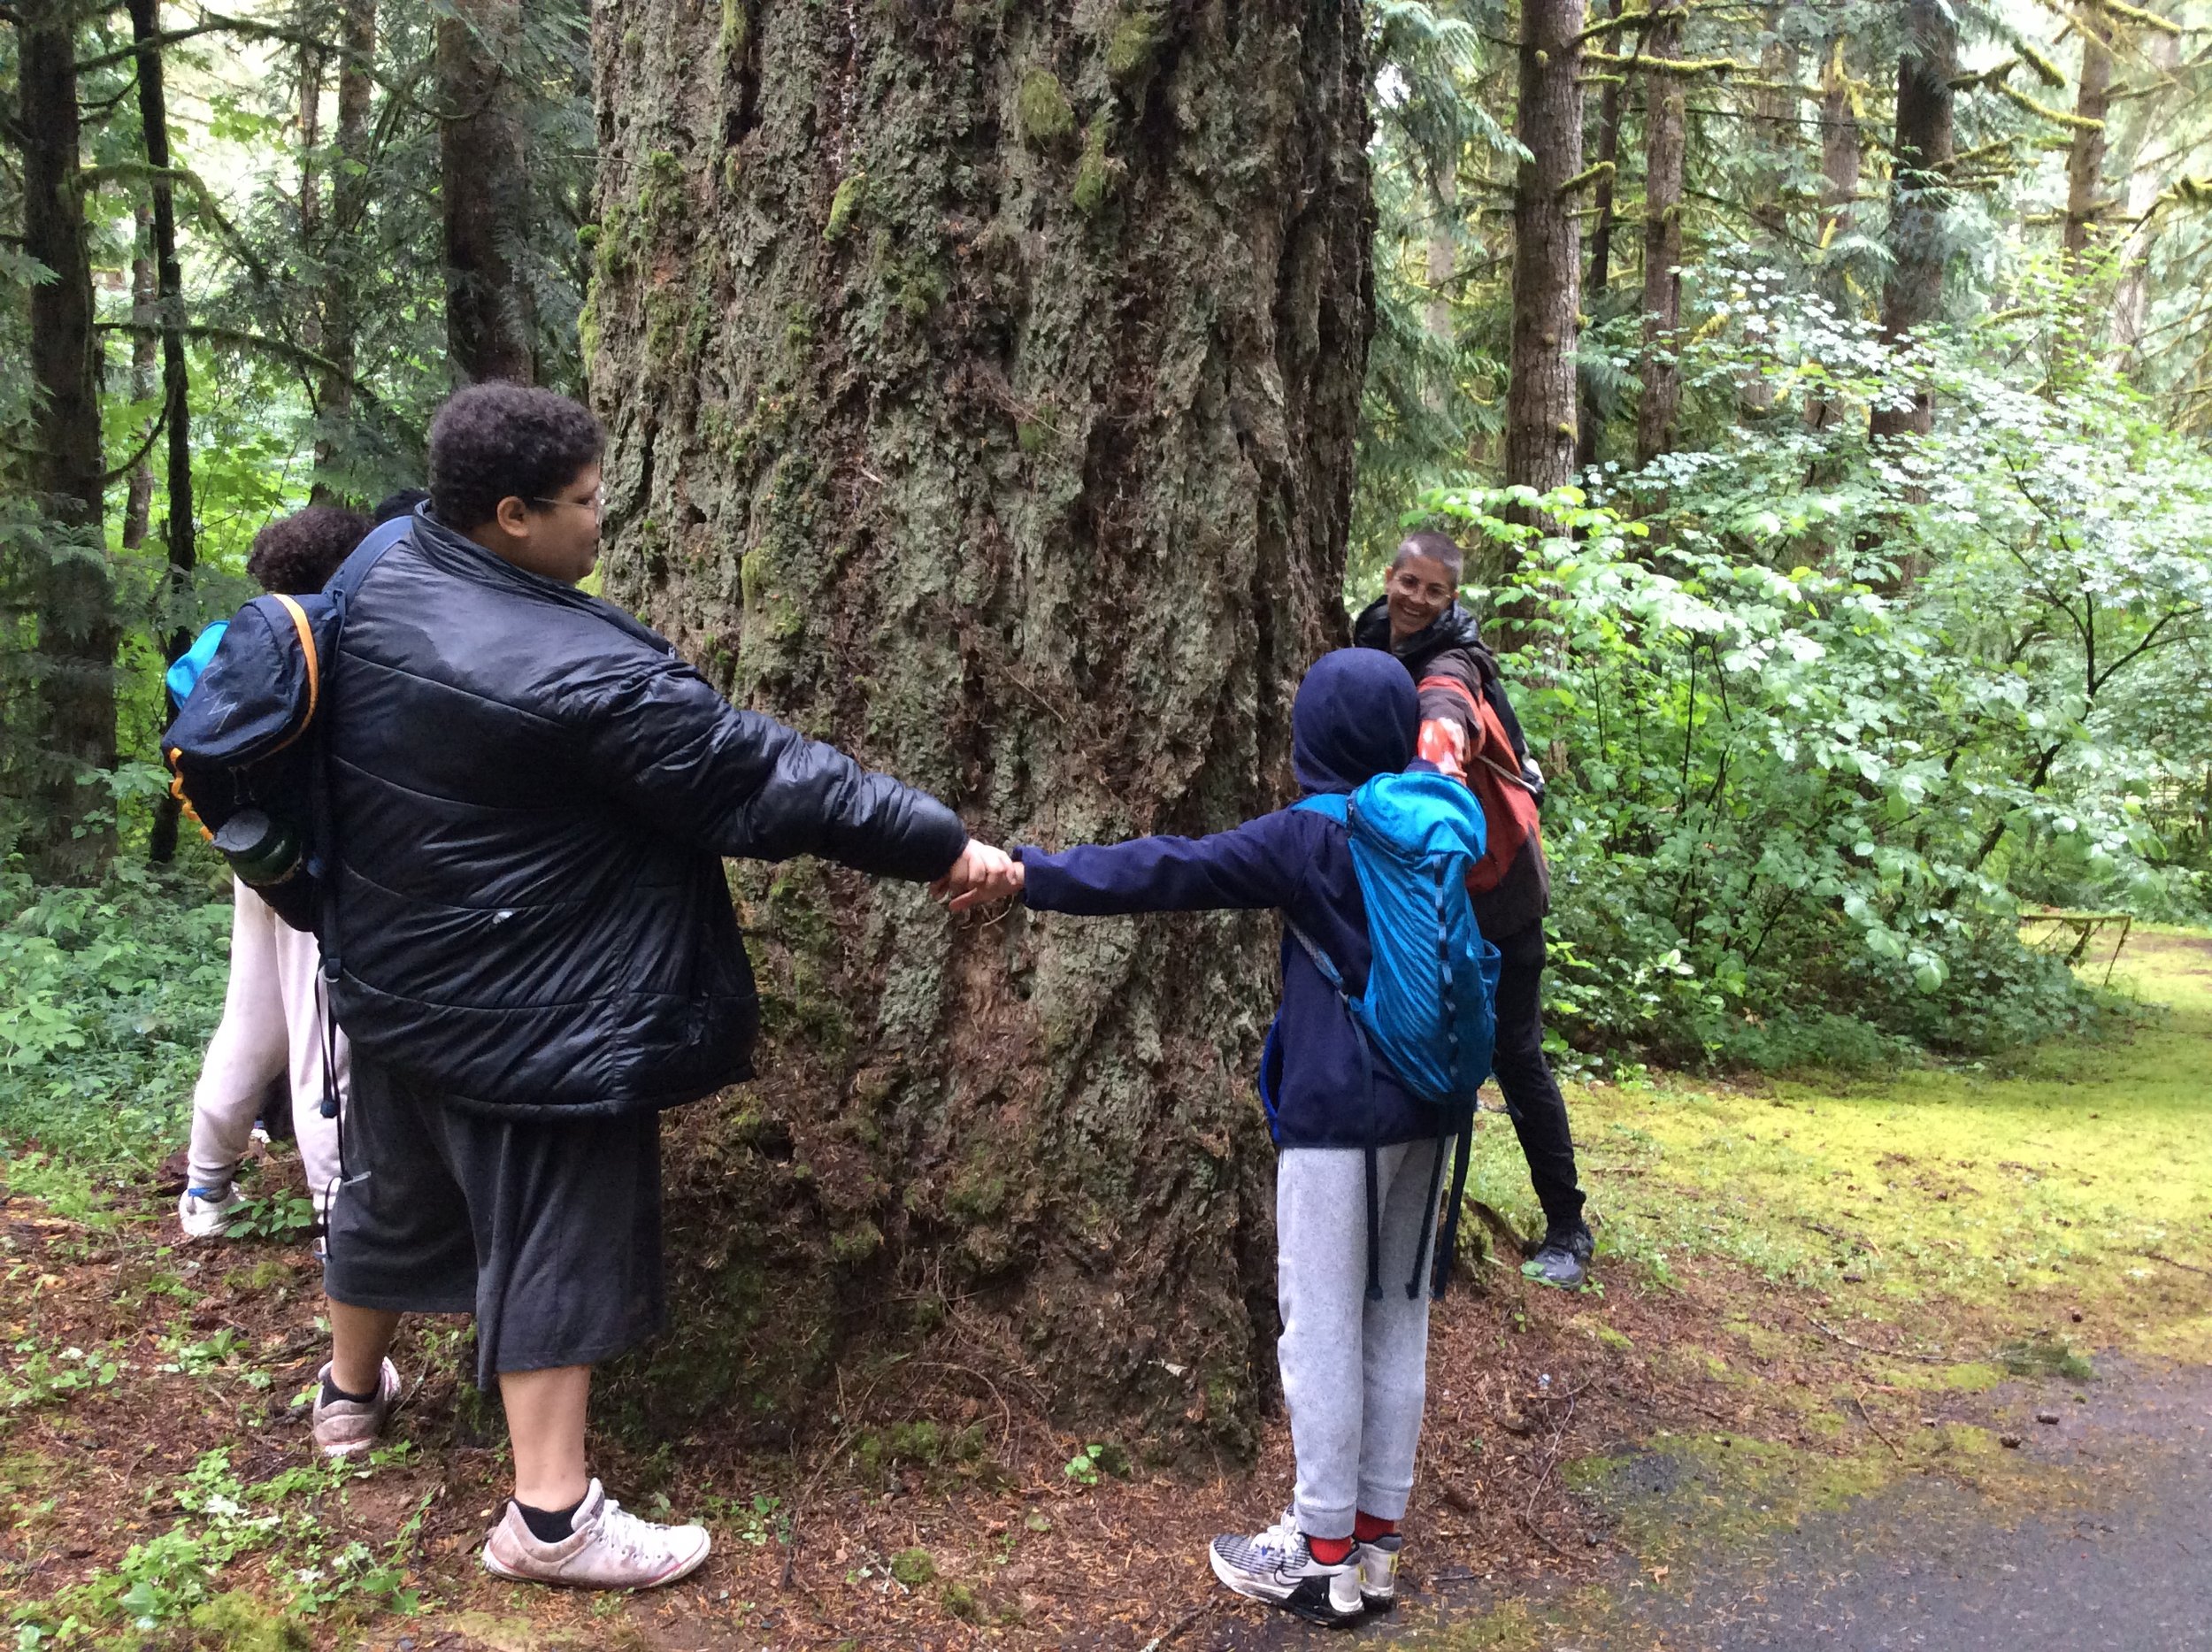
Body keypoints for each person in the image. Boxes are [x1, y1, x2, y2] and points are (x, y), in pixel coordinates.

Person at [310, 383, 1018, 1591]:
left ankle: (346, 1394)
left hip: (391, 967)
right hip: (526, 1000)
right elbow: (765, 777)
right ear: (513, 512)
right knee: (552, 1238)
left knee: (396, 1185)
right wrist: (940, 840)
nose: (605, 518)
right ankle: (549, 1520)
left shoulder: (381, 564)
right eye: (584, 501)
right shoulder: (575, 668)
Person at [999, 650, 1454, 1627]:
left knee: (1323, 1321)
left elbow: (1172, 867)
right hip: (1435, 1109)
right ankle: (1373, 1550)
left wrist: (1029, 874)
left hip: (1341, 1114)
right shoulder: (1439, 826)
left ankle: (1320, 1552)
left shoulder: (1310, 835)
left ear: (1313, 738)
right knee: (1394, 1320)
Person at [1353, 530, 1594, 1289]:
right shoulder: (1373, 640)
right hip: (1440, 892)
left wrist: (1437, 753)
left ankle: (1567, 1227)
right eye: (1409, 583)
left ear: (1452, 599)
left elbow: (1446, 712)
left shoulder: (1455, 665)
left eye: (1434, 591)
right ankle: (1426, 1229)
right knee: (1427, 1051)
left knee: (1513, 1055)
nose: (1417, 600)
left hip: (1500, 894)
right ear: (1389, 576)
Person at [176, 506, 370, 1241]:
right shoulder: (331, 636)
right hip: (316, 866)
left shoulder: (240, 644)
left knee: (251, 1019)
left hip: (255, 856)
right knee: (328, 1041)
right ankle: (337, 1221)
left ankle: (205, 1189)